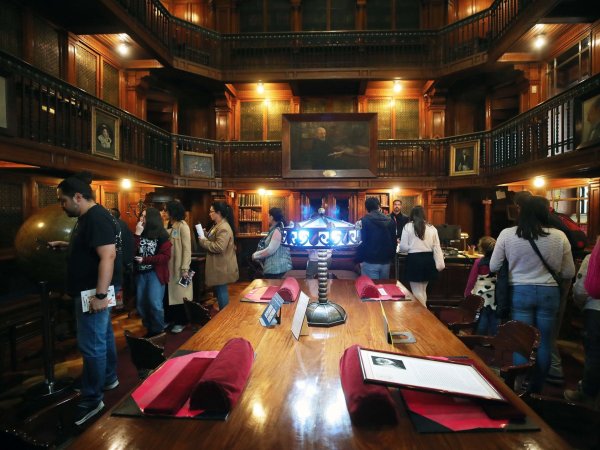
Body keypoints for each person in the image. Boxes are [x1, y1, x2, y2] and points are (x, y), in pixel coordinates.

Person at [48, 171, 121, 426]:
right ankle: (108, 377)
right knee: (103, 337)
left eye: (63, 200)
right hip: (92, 289)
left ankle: (92, 399)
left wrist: (100, 295)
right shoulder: (89, 217)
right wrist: (67, 245)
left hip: (93, 291)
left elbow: (107, 256)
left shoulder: (96, 217)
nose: (62, 205)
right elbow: (92, 249)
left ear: (78, 197)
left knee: (92, 345)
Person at [489, 195, 575, 393]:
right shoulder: (559, 236)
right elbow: (569, 272)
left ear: (521, 212)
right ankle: (537, 388)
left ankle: (520, 385)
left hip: (520, 291)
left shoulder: (507, 234)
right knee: (545, 341)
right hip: (549, 292)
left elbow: (494, 266)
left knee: (522, 340)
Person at [564, 237, 600, 408]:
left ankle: (587, 394)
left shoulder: (592, 257)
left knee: (594, 355)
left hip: (596, 309)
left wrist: (581, 306)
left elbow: (581, 290)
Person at [134, 207, 172, 337]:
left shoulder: (162, 235)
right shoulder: (138, 232)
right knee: (141, 304)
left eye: (144, 216)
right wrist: (137, 235)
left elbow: (165, 257)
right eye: (141, 215)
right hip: (140, 274)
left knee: (154, 303)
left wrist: (145, 260)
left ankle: (158, 332)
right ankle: (149, 329)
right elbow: (130, 252)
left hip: (155, 273)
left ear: (152, 219)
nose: (141, 218)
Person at [398, 205, 445, 306]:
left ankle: (424, 314)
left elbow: (403, 247)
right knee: (423, 291)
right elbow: (437, 247)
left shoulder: (408, 226)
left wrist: (411, 246)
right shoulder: (432, 228)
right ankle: (425, 312)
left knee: (417, 292)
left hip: (414, 260)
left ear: (412, 215)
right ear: (424, 215)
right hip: (428, 260)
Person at [197, 201, 239, 310]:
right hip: (219, 265)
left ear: (218, 213)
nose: (209, 214)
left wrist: (203, 241)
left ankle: (224, 315)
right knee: (220, 290)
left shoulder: (223, 227)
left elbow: (219, 247)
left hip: (222, 266)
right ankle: (223, 313)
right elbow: (215, 239)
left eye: (211, 211)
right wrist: (205, 235)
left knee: (221, 290)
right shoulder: (218, 225)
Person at [165, 200, 193, 333]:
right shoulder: (170, 225)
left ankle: (181, 322)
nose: (164, 212)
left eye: (166, 210)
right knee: (170, 296)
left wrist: (185, 268)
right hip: (169, 267)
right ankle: (171, 319)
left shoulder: (183, 226)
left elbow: (187, 249)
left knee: (180, 295)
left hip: (179, 267)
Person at [464, 236, 498, 336]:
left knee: (482, 316)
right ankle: (494, 338)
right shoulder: (498, 262)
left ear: (482, 249)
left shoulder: (478, 262)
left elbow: (471, 280)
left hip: (481, 294)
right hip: (495, 294)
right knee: (494, 317)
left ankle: (480, 338)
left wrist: (467, 294)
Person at [355, 197, 397, 280]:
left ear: (366, 208)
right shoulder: (391, 221)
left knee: (371, 287)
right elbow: (394, 241)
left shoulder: (362, 221)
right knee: (383, 287)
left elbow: (359, 241)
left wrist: (359, 259)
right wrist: (391, 257)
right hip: (386, 261)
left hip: (369, 260)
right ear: (379, 206)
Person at [252, 207, 292, 278]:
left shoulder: (277, 230)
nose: (267, 218)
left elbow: (271, 250)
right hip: (278, 268)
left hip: (276, 269)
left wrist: (255, 255)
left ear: (272, 217)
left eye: (268, 216)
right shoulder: (280, 229)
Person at [110, 208, 134, 310]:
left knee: (113, 284)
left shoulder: (107, 224)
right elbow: (129, 242)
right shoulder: (123, 225)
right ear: (119, 216)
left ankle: (113, 307)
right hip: (123, 260)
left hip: (112, 260)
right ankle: (119, 306)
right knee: (119, 284)